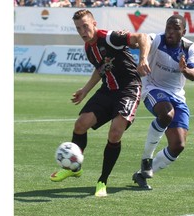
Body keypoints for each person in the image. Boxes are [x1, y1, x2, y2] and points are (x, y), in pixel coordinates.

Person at [50, 9, 151, 197]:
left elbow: (142, 36)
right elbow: (100, 69)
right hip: (108, 90)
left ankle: (102, 180)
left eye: (85, 26)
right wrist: (84, 90)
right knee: (81, 124)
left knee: (115, 133)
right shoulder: (89, 47)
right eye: (78, 28)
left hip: (128, 89)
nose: (82, 31)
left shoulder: (110, 38)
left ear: (94, 23)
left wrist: (143, 58)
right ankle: (74, 167)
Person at [132, 14, 194, 190]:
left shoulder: (191, 47)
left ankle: (142, 173)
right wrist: (143, 58)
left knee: (178, 145)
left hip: (177, 95)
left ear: (183, 31)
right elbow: (144, 39)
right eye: (168, 28)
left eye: (175, 29)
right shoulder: (157, 40)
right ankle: (146, 158)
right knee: (166, 113)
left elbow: (193, 75)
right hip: (152, 89)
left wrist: (184, 69)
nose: (170, 32)